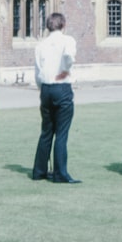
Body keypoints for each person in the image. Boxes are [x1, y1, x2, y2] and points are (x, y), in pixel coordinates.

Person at [31, 12, 80, 183]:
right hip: (62, 87)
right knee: (61, 133)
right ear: (63, 25)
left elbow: (37, 72)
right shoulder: (68, 40)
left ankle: (39, 171)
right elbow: (68, 57)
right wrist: (66, 69)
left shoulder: (40, 45)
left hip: (46, 89)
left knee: (46, 131)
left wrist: (42, 89)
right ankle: (60, 173)